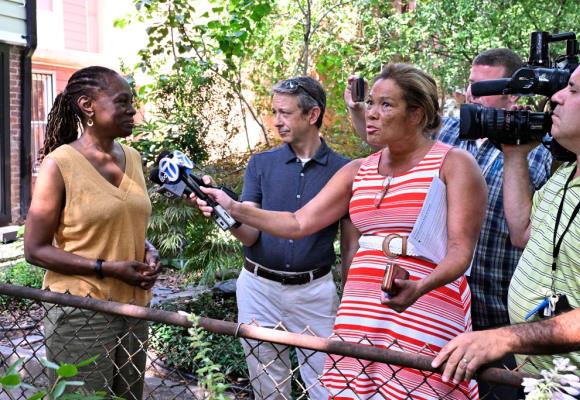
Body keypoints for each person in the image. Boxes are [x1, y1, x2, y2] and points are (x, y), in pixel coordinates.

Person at [195, 63, 487, 399]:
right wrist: (231, 206)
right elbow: (298, 223)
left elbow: (460, 252)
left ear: (417, 114)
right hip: (362, 309)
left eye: (386, 105)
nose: (372, 113)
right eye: (371, 103)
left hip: (424, 304)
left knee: (418, 389)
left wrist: (419, 288)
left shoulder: (453, 164)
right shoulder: (356, 171)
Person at [346, 48, 553, 398]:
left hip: (501, 304)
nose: (472, 94)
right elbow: (392, 140)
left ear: (512, 93)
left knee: (502, 391)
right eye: (471, 85)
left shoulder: (540, 151)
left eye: (484, 88)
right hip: (439, 298)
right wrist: (359, 113)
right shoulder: (452, 131)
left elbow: (531, 233)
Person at [432, 55, 580, 384]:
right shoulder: (567, 173)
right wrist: (515, 153)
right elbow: (522, 231)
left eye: (573, 90)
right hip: (538, 375)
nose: (556, 97)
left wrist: (503, 337)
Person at [193, 76, 355, 399]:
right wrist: (224, 213)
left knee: (330, 386)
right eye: (274, 112)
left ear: (312, 115)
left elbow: (350, 249)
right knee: (269, 387)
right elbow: (250, 235)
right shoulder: (261, 164)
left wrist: (353, 301)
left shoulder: (344, 170)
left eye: (285, 113)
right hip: (258, 289)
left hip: (314, 293)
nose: (276, 121)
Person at [24, 66, 160, 400]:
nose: (133, 110)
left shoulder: (133, 157)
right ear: (88, 106)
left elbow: (117, 221)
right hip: (81, 313)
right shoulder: (60, 164)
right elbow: (34, 249)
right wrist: (105, 267)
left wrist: (146, 248)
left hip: (133, 309)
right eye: (123, 101)